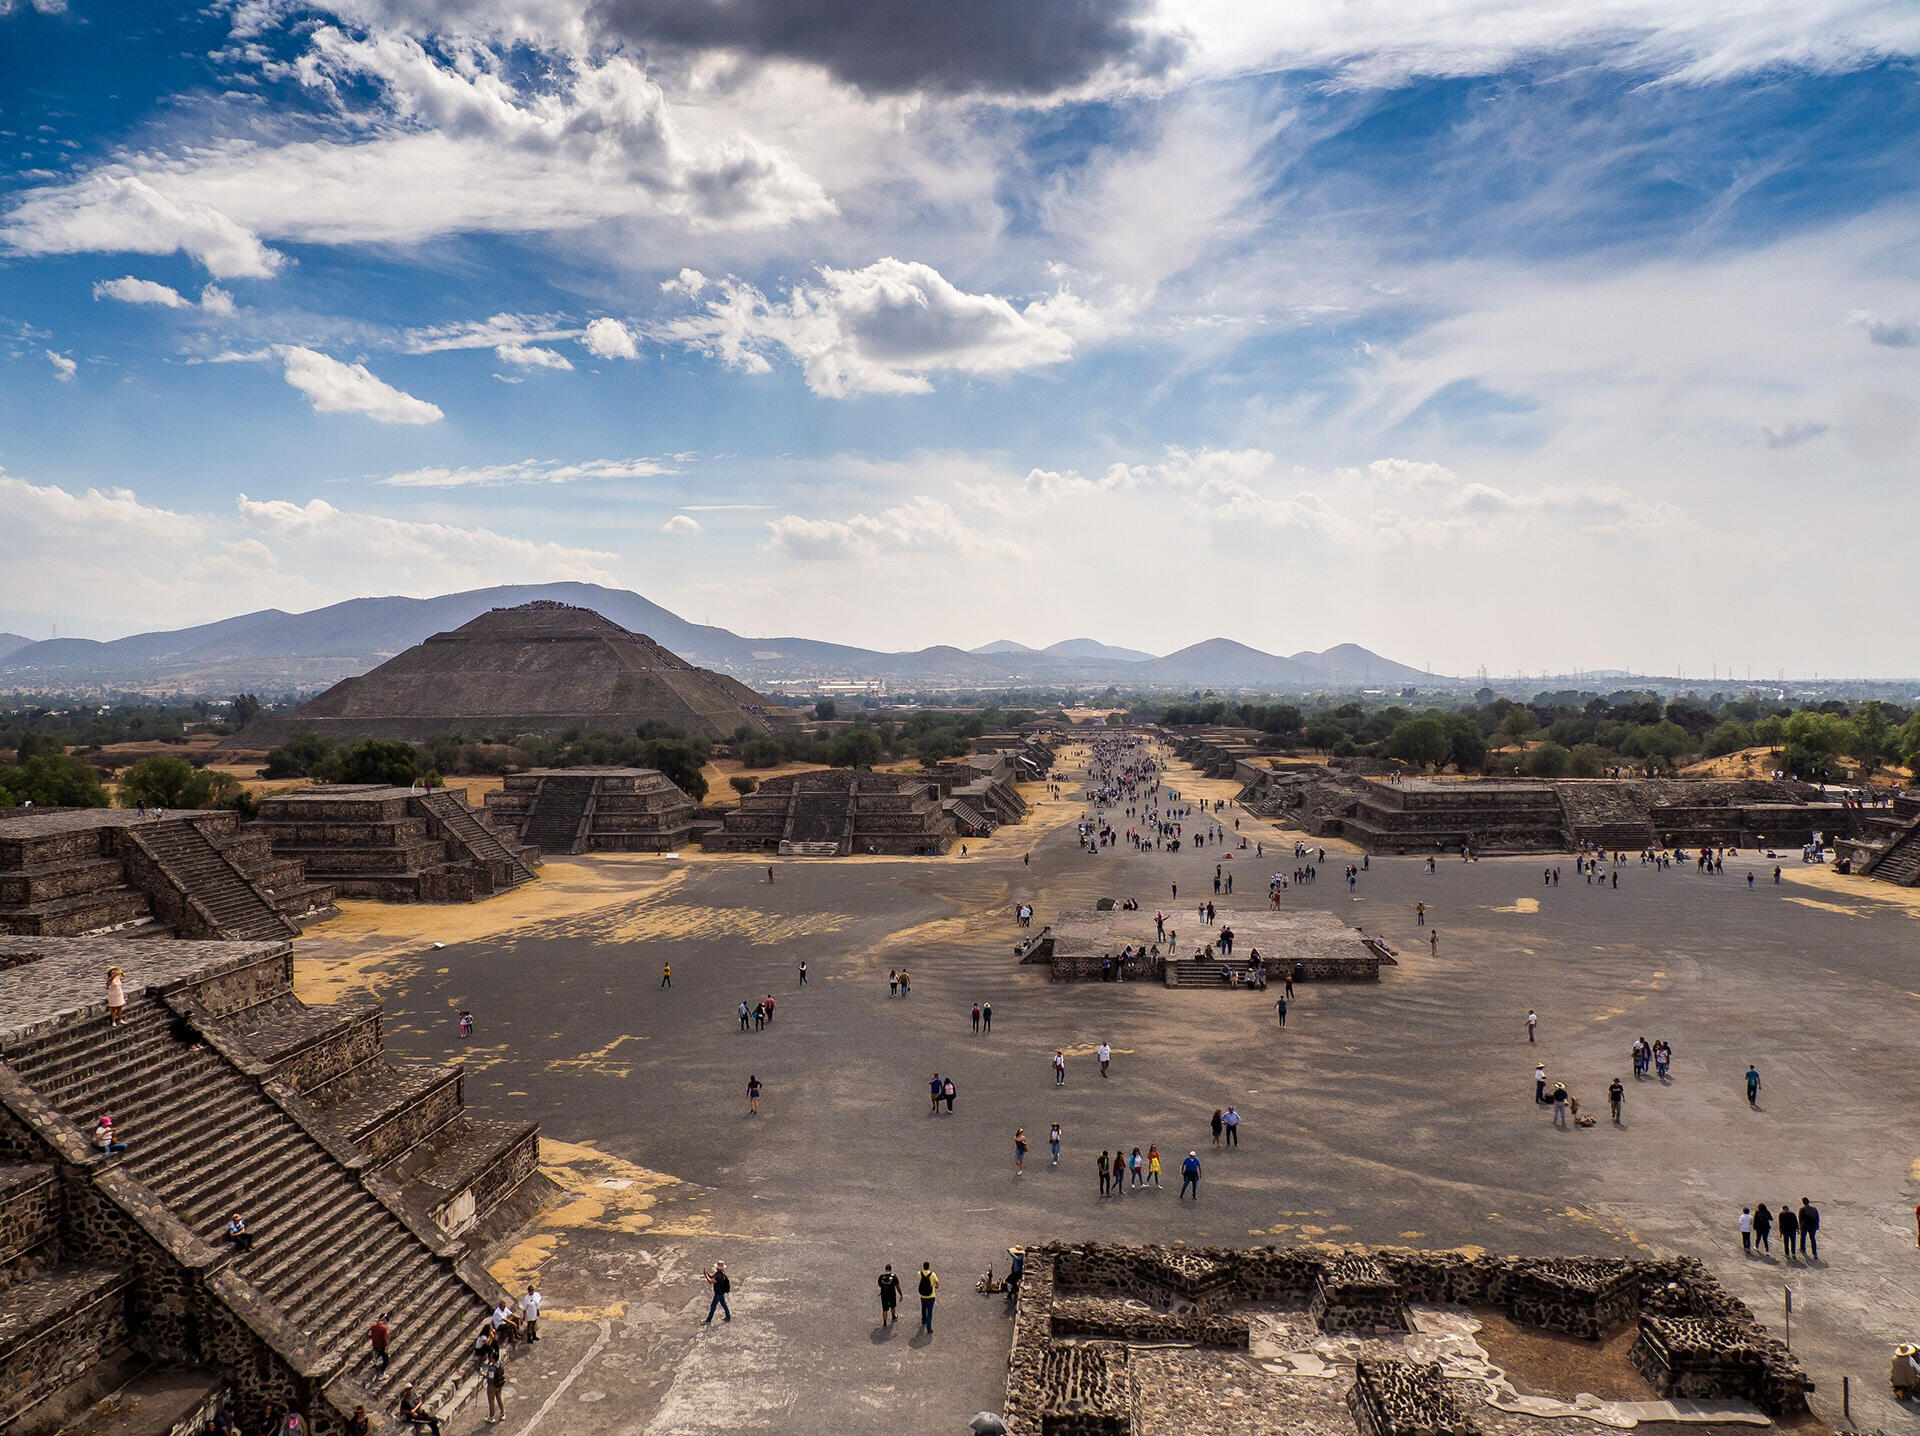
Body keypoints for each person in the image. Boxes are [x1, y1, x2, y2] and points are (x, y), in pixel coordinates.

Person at [482, 1351, 506, 1424]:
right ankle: (503, 1413)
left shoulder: (492, 1368)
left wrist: (483, 1374)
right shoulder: (501, 1363)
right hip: (500, 1383)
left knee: (491, 1400)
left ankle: (491, 1417)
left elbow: (490, 1379)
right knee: (499, 1397)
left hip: (492, 1386)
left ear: (493, 1358)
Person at [917, 1262, 939, 1333]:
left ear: (923, 1267)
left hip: (923, 1295)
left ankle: (924, 1320)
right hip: (931, 1296)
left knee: (923, 1308)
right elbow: (937, 1282)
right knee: (929, 1311)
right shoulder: (932, 1274)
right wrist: (936, 1286)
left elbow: (919, 1281)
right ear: (929, 1267)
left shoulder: (919, 1273)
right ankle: (929, 1328)